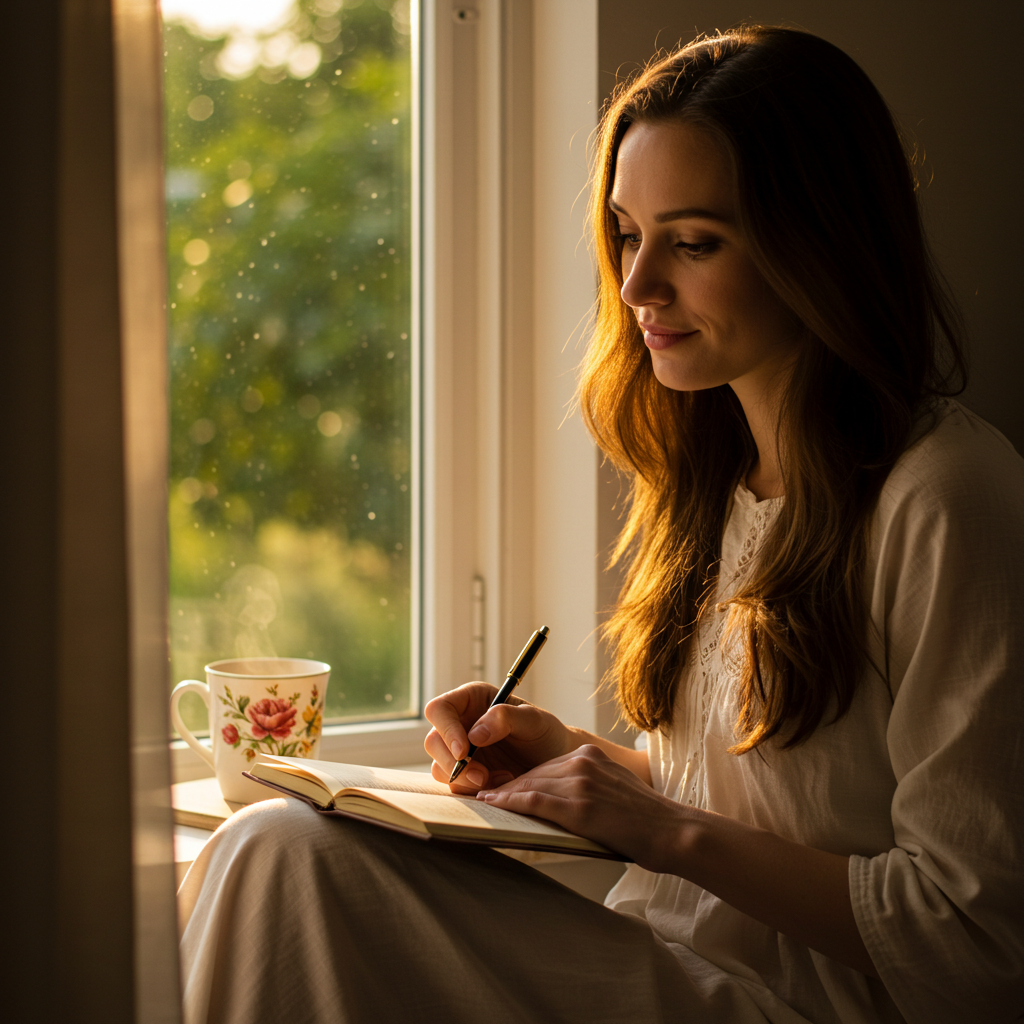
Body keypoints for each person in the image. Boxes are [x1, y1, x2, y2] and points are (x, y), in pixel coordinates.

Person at [177, 25, 1024, 1024]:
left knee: (286, 860)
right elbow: (773, 805)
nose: (635, 287)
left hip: (801, 1006)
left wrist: (655, 826)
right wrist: (582, 766)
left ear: (821, 245)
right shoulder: (714, 481)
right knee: (272, 845)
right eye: (627, 232)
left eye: (694, 243)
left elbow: (977, 942)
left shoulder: (946, 497)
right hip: (667, 957)